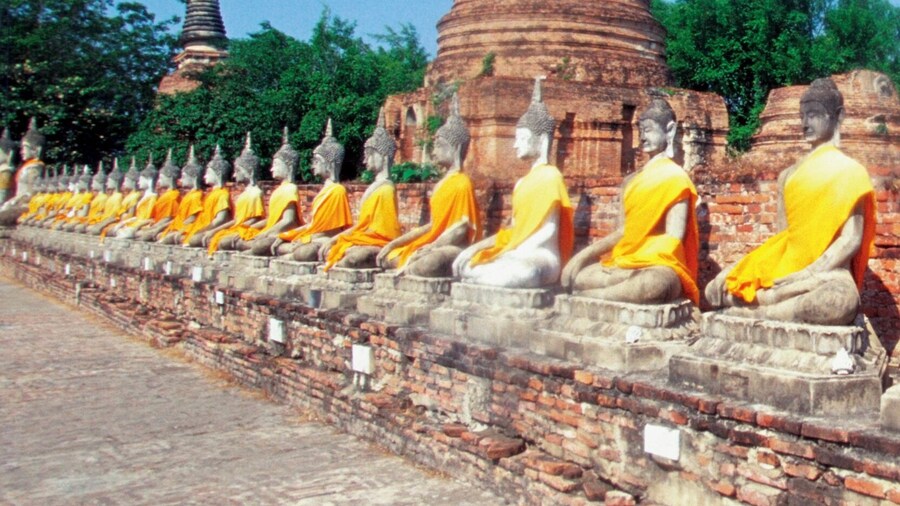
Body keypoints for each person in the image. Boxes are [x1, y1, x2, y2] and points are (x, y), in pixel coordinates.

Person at [705, 78, 876, 326]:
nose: (805, 123)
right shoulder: (789, 175)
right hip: (788, 268)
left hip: (826, 274)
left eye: (814, 115)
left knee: (838, 303)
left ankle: (758, 313)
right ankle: (772, 304)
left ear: (838, 116)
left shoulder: (851, 171)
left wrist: (808, 274)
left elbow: (851, 239)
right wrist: (762, 267)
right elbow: (783, 235)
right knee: (715, 289)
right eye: (802, 115)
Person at [561, 98, 700, 304]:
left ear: (669, 131)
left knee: (656, 284)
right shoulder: (631, 181)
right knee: (581, 276)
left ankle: (595, 297)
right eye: (641, 130)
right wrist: (582, 256)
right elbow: (622, 232)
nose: (643, 137)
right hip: (625, 262)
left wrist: (643, 258)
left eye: (649, 130)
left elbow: (674, 236)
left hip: (656, 263)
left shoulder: (676, 178)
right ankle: (604, 292)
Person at [453, 78, 574, 288]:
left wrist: (514, 251)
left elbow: (548, 232)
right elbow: (513, 229)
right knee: (468, 264)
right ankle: (487, 272)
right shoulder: (521, 184)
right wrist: (474, 248)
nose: (515, 145)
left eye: (522, 138)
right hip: (516, 251)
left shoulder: (551, 177)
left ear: (543, 140)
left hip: (540, 255)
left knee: (521, 271)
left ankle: (491, 273)